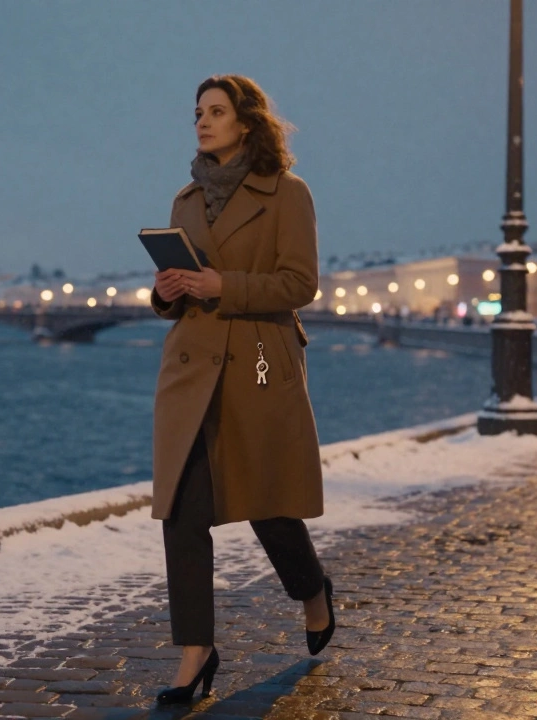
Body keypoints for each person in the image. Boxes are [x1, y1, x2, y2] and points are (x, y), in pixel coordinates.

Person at [148, 74, 334, 705]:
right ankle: (195, 653)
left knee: (269, 505)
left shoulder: (287, 193)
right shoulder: (184, 200)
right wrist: (166, 292)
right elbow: (176, 292)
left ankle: (312, 591)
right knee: (181, 509)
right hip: (191, 371)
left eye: (217, 111)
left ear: (246, 123)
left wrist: (222, 285)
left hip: (256, 363)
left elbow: (299, 284)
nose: (202, 121)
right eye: (197, 111)